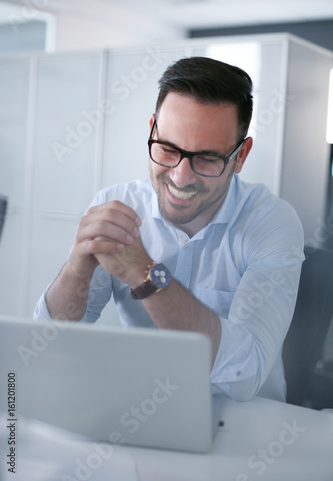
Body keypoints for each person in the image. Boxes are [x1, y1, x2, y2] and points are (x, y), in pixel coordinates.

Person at [34, 56, 304, 402]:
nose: (180, 176)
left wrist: (146, 273)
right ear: (152, 129)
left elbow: (245, 373)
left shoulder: (271, 223)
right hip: (142, 411)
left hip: (245, 426)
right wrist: (76, 269)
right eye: (167, 149)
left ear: (240, 156)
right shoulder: (116, 204)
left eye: (207, 158)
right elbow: (50, 339)